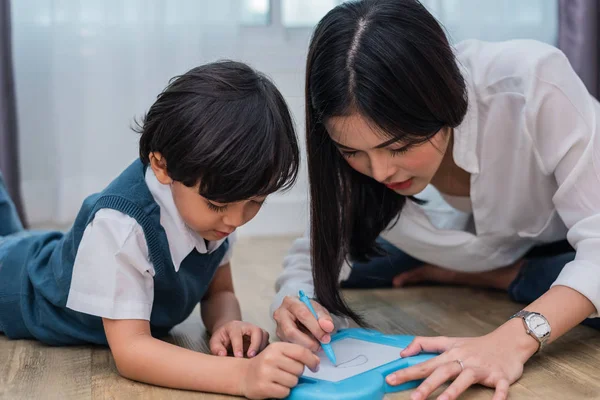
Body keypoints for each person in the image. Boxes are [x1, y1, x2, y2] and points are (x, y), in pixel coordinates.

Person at [271, 1, 600, 399]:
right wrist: (295, 307)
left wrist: (512, 339)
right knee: (360, 268)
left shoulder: (533, 82)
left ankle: (500, 276)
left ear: (439, 101)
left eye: (399, 146)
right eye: (351, 152)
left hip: (559, 244)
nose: (379, 173)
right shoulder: (356, 159)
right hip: (459, 244)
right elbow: (312, 255)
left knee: (575, 280)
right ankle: (477, 270)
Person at [0, 61, 319, 399]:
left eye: (256, 202)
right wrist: (241, 376)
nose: (235, 220)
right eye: (218, 205)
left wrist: (227, 324)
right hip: (17, 286)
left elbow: (219, 293)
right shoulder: (121, 228)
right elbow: (132, 352)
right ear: (162, 166)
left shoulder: (221, 204)